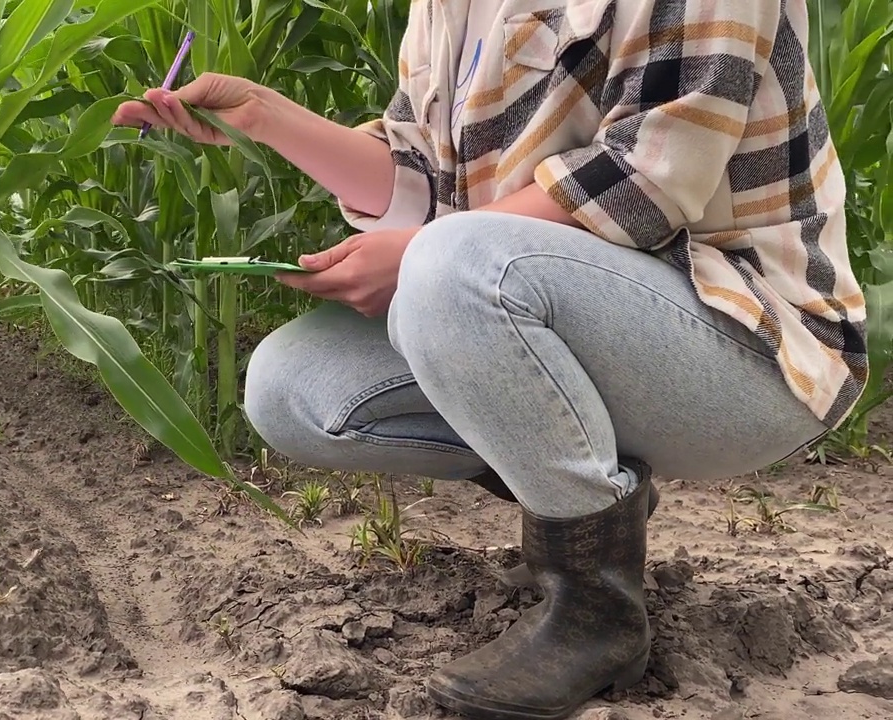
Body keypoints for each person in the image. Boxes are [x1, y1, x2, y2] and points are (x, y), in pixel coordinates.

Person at [113, 0, 866, 718]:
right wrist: (267, 118)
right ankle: (593, 497)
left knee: (453, 262)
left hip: (746, 350)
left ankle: (595, 612)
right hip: (565, 306)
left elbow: (648, 180)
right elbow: (423, 187)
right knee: (292, 386)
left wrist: (418, 255)